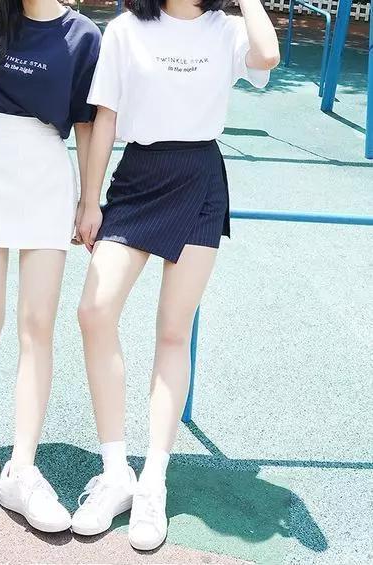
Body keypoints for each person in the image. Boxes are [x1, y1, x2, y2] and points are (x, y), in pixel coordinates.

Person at [71, 0, 279, 551]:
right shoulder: (125, 29)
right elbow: (105, 117)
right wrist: (89, 200)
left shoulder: (228, 29)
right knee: (94, 311)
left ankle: (153, 482)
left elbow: (268, 55)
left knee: (172, 331)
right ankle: (115, 472)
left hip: (199, 176)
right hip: (138, 175)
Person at [0, 0, 101, 532]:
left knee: (37, 327)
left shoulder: (82, 35)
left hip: (47, 176)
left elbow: (87, 125)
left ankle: (22, 469)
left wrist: (90, 200)